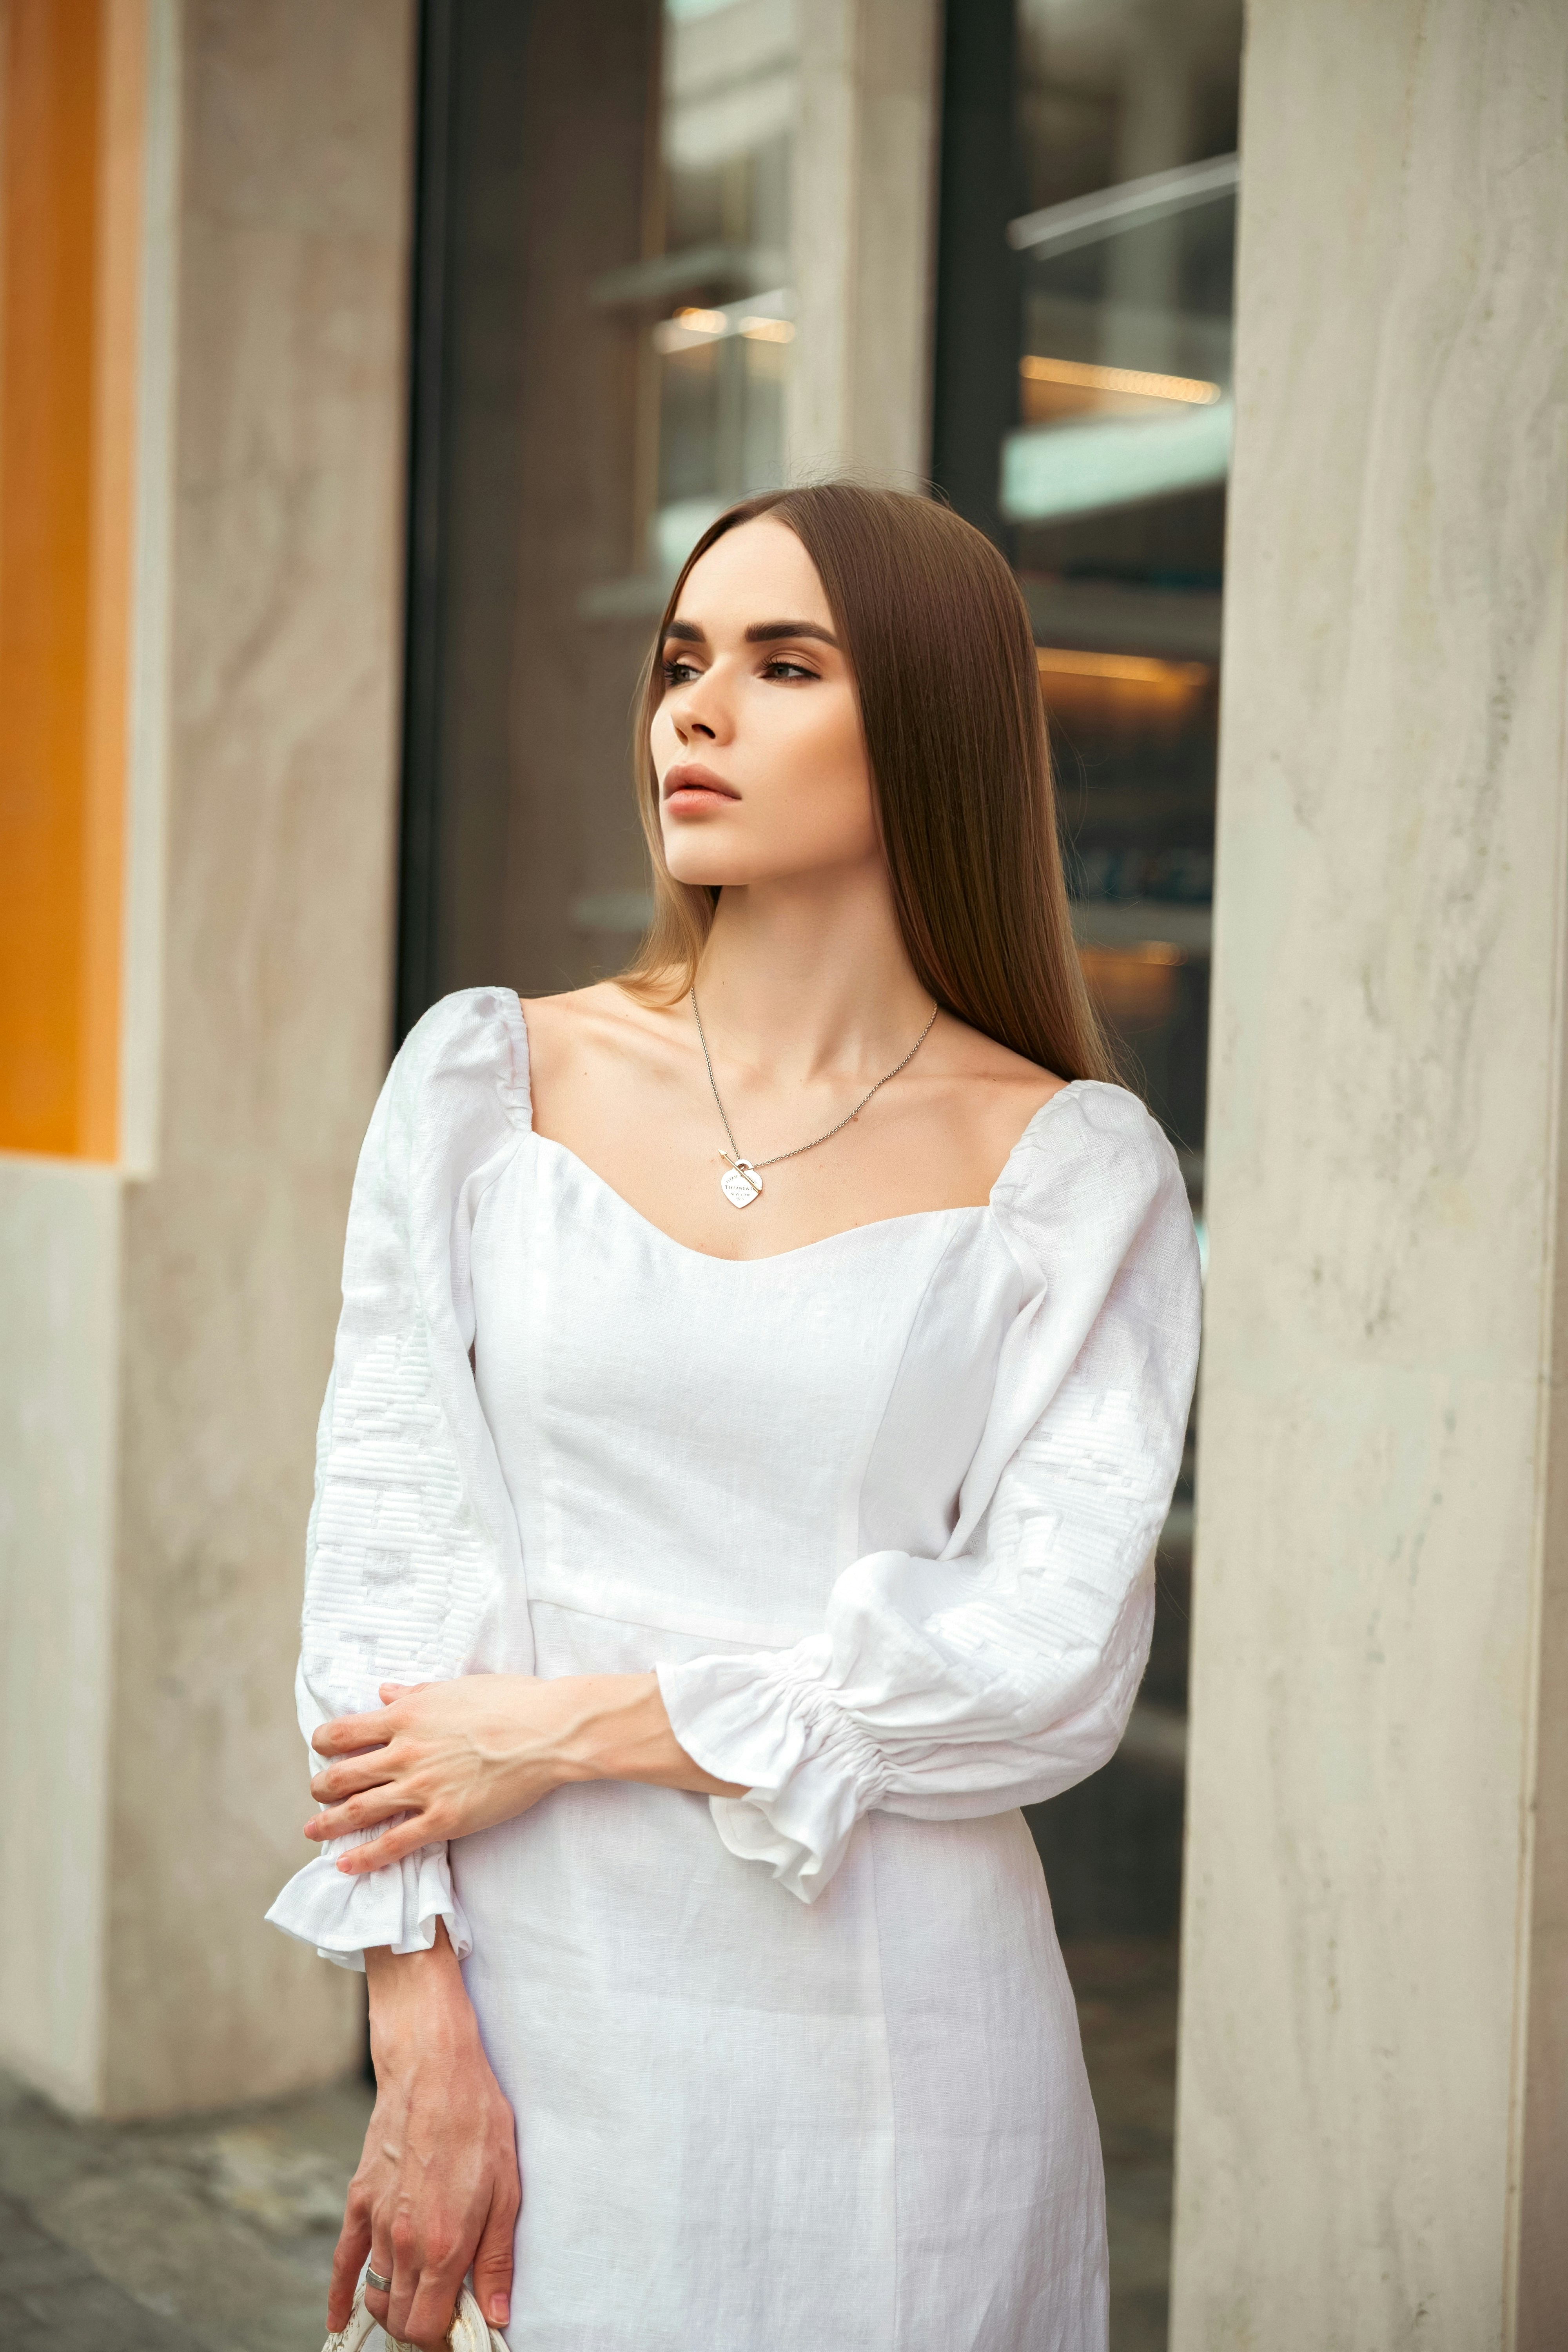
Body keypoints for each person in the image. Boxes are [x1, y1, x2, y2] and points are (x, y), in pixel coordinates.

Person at [267, 483, 1202, 2352]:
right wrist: (415, 2024)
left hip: (901, 2061)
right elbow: (385, 1572)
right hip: (531, 2012)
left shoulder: (1072, 1171)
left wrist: (568, 1725)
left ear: (928, 720)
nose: (693, 710)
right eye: (683, 659)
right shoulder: (486, 1082)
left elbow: (1046, 1664)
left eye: (785, 666)